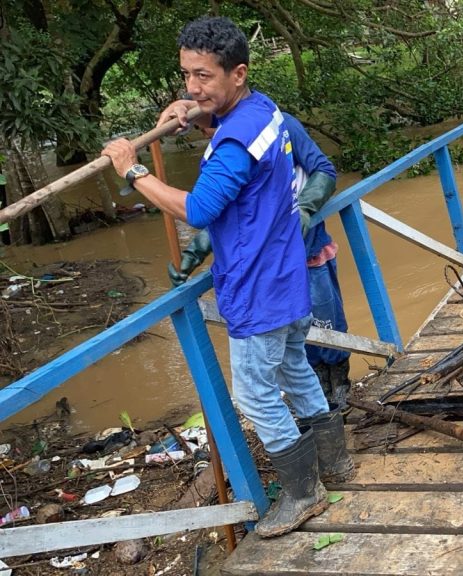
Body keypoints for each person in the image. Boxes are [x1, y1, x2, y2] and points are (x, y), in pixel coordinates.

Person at [101, 16, 352, 539]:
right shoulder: (264, 112)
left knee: (257, 395)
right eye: (186, 76)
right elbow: (233, 144)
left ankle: (305, 495)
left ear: (237, 73)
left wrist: (132, 169)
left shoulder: (236, 142)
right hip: (286, 275)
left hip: (257, 287)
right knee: (295, 371)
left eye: (203, 78)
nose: (192, 88)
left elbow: (197, 208)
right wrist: (193, 117)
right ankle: (336, 465)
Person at [169, 113, 354, 410]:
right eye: (201, 129)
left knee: (327, 326)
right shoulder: (225, 149)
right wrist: (193, 254)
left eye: (208, 126)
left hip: (307, 252)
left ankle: (340, 391)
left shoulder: (276, 124)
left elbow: (324, 170)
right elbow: (229, 212)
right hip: (268, 269)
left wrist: (305, 209)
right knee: (296, 349)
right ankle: (322, 411)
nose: (206, 133)